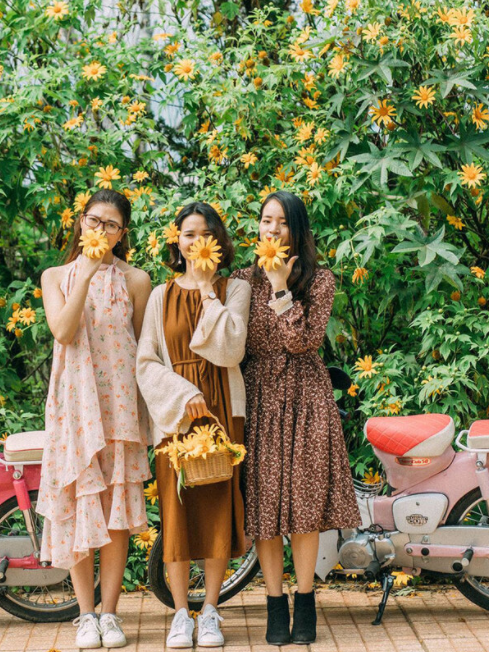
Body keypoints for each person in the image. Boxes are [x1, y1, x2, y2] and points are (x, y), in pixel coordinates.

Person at [231, 190, 361, 645]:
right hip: (259, 397)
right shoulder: (240, 281)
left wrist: (283, 287)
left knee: (304, 508)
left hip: (306, 396)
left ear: (298, 229)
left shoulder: (319, 279)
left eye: (283, 222)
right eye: (267, 220)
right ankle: (273, 604)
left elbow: (303, 343)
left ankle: (305, 601)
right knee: (265, 508)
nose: (272, 229)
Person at [37, 189, 153, 649]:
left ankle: (110, 613)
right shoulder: (56, 276)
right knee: (78, 507)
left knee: (115, 514)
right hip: (74, 409)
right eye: (93, 221)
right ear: (80, 223)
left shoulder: (137, 280)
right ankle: (85, 615)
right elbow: (63, 332)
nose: (100, 231)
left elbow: (144, 349)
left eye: (111, 225)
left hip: (120, 407)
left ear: (123, 233)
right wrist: (84, 272)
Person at [136, 201, 250, 648]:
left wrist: (206, 291)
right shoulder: (160, 296)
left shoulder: (233, 288)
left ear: (217, 241)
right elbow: (145, 362)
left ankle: (211, 611)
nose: (196, 242)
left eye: (205, 234)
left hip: (223, 408)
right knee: (176, 511)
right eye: (188, 234)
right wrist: (184, 396)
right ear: (177, 241)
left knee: (219, 506)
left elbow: (231, 350)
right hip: (177, 414)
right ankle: (181, 612)